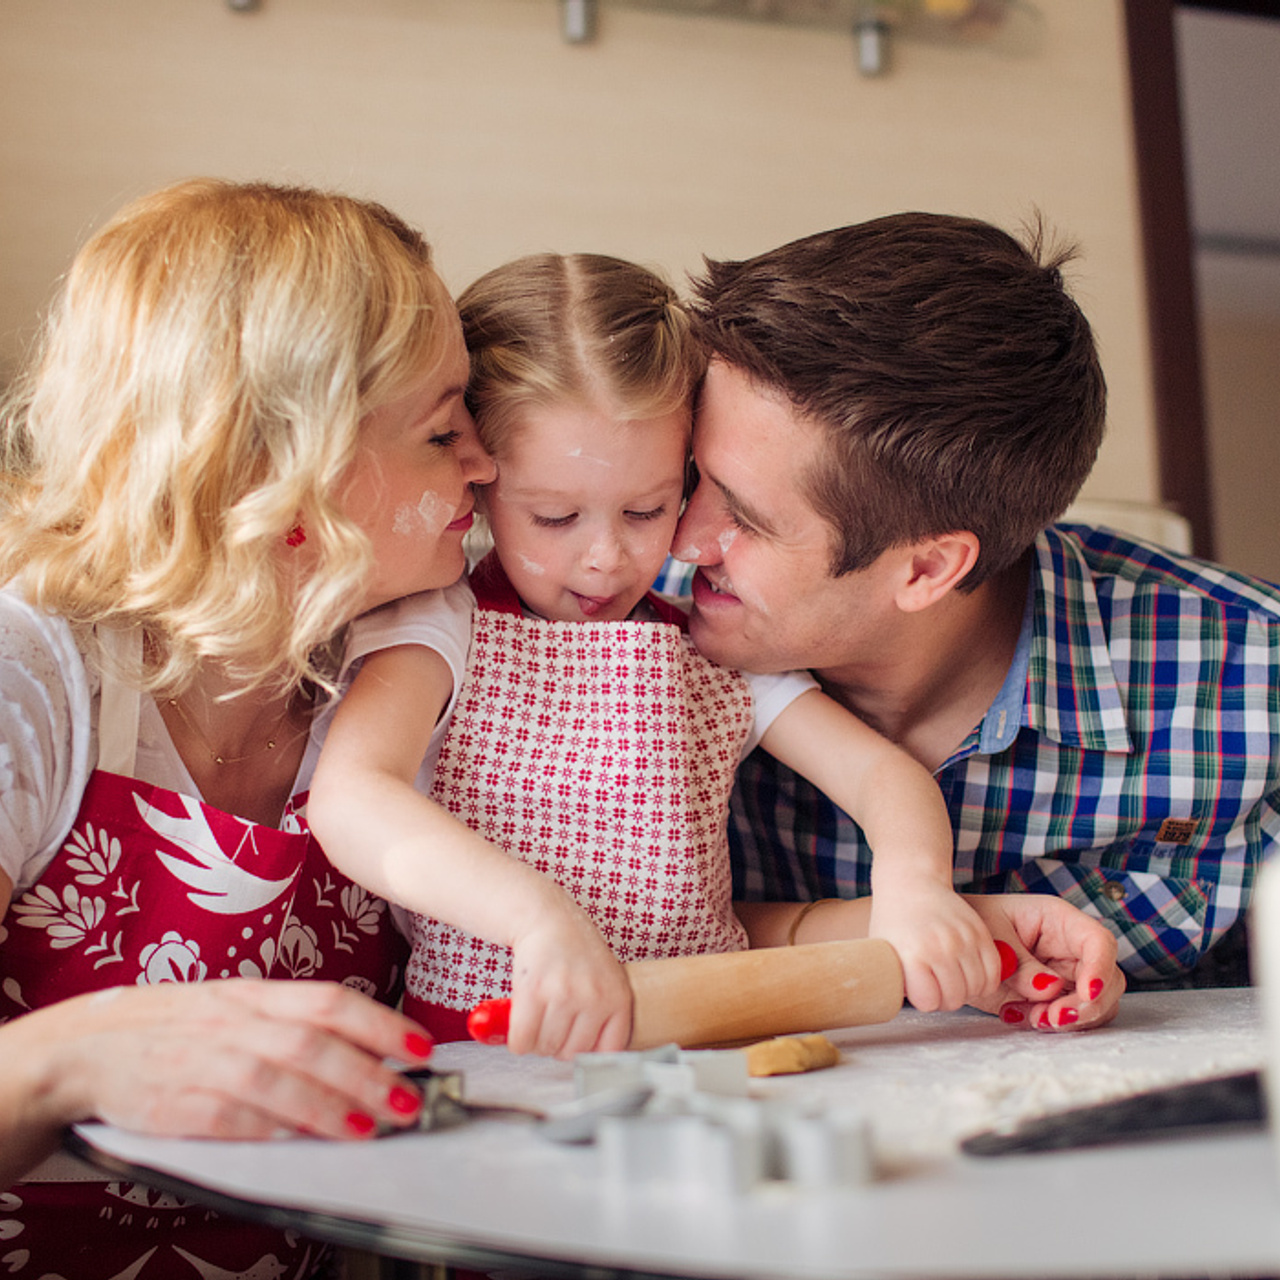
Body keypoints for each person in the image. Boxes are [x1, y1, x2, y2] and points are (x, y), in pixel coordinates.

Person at [311, 251, 1113, 1050]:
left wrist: (918, 894)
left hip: (704, 1032)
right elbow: (352, 798)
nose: (607, 559)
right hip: (492, 1044)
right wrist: (537, 918)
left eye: (651, 508)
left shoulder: (705, 648)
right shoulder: (447, 625)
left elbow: (880, 776)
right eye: (554, 518)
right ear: (482, 482)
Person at [0, 178, 489, 1276]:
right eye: (442, 428)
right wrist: (63, 1061)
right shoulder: (29, 673)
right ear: (284, 470)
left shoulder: (396, 664)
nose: (485, 464)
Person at [659, 210, 1280, 1010]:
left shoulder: (1254, 684)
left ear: (927, 567)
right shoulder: (614, 646)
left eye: (744, 519)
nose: (682, 541)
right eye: (687, 476)